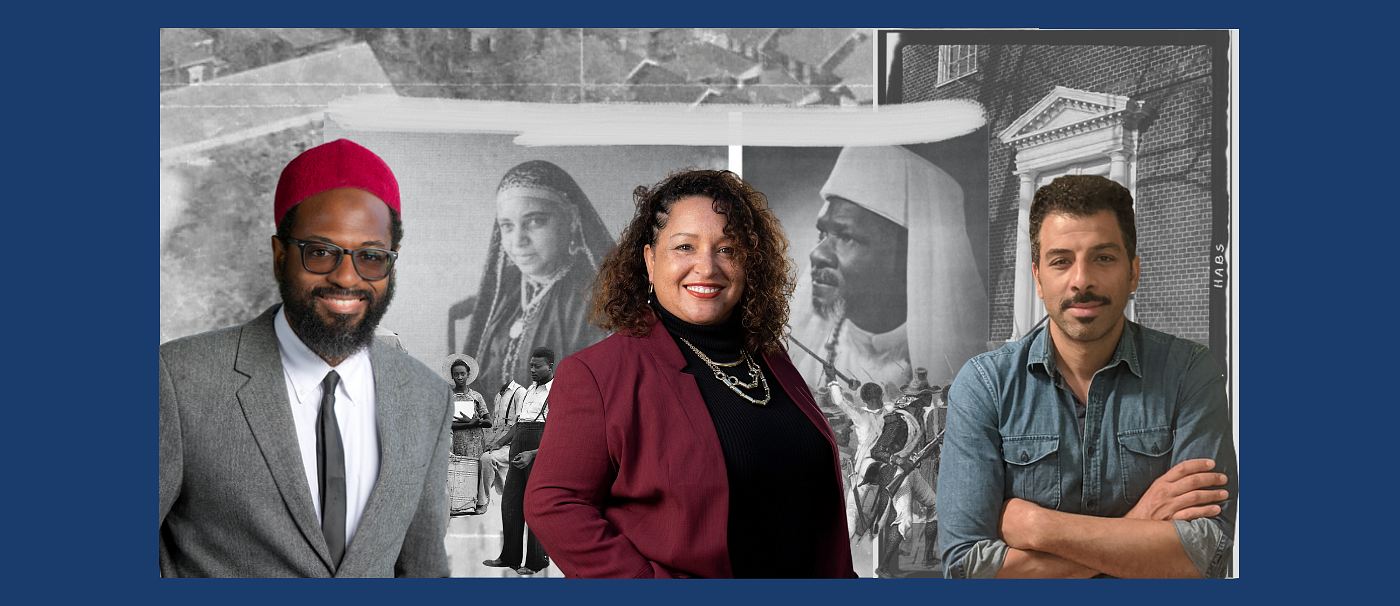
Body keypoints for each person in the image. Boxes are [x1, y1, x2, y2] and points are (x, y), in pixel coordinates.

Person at [524, 169, 856, 578]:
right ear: (650, 259)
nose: (707, 267)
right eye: (684, 247)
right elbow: (554, 502)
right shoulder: (598, 374)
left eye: (727, 249)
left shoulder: (772, 358)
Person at [158, 139, 453, 577]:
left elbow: (424, 571)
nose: (346, 277)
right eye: (320, 252)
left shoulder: (429, 399)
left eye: (371, 257)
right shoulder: (177, 379)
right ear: (280, 257)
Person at [937, 175, 1238, 578]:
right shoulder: (985, 386)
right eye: (1061, 260)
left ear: (1133, 273)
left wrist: (1037, 527)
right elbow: (966, 568)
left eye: (1104, 258)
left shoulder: (1189, 372)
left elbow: (1203, 553)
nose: (1082, 280)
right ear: (1038, 278)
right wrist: (1140, 522)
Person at [789, 146, 987, 395]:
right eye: (823, 234)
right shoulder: (807, 360)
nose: (817, 253)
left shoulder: (950, 372)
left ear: (910, 255)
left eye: (846, 236)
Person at [458, 160, 614, 391]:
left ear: (571, 222)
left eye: (535, 221)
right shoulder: (506, 296)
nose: (518, 240)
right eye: (507, 226)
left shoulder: (596, 303)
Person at [483, 347, 556, 576]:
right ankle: (510, 556)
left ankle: (537, 561)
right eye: (531, 366)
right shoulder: (531, 390)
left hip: (539, 445)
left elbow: (557, 430)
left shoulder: (556, 391)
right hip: (519, 442)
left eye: (538, 366)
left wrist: (534, 453)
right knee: (511, 503)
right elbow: (519, 424)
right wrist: (499, 443)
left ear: (550, 366)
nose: (532, 370)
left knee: (534, 505)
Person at [443, 354, 490, 516]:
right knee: (457, 471)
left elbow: (488, 421)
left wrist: (475, 422)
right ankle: (457, 503)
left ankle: (479, 503)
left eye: (462, 374)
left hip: (475, 440)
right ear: (452, 376)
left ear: (468, 374)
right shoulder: (448, 396)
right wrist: (467, 423)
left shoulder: (476, 397)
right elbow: (446, 422)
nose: (459, 377)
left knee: (476, 469)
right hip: (455, 440)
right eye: (456, 374)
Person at [477, 380, 527, 514]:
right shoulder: (499, 395)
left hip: (513, 443)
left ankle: (483, 501)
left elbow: (520, 424)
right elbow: (495, 424)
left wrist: (499, 443)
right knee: (475, 456)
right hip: (497, 439)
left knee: (487, 459)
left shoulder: (520, 392)